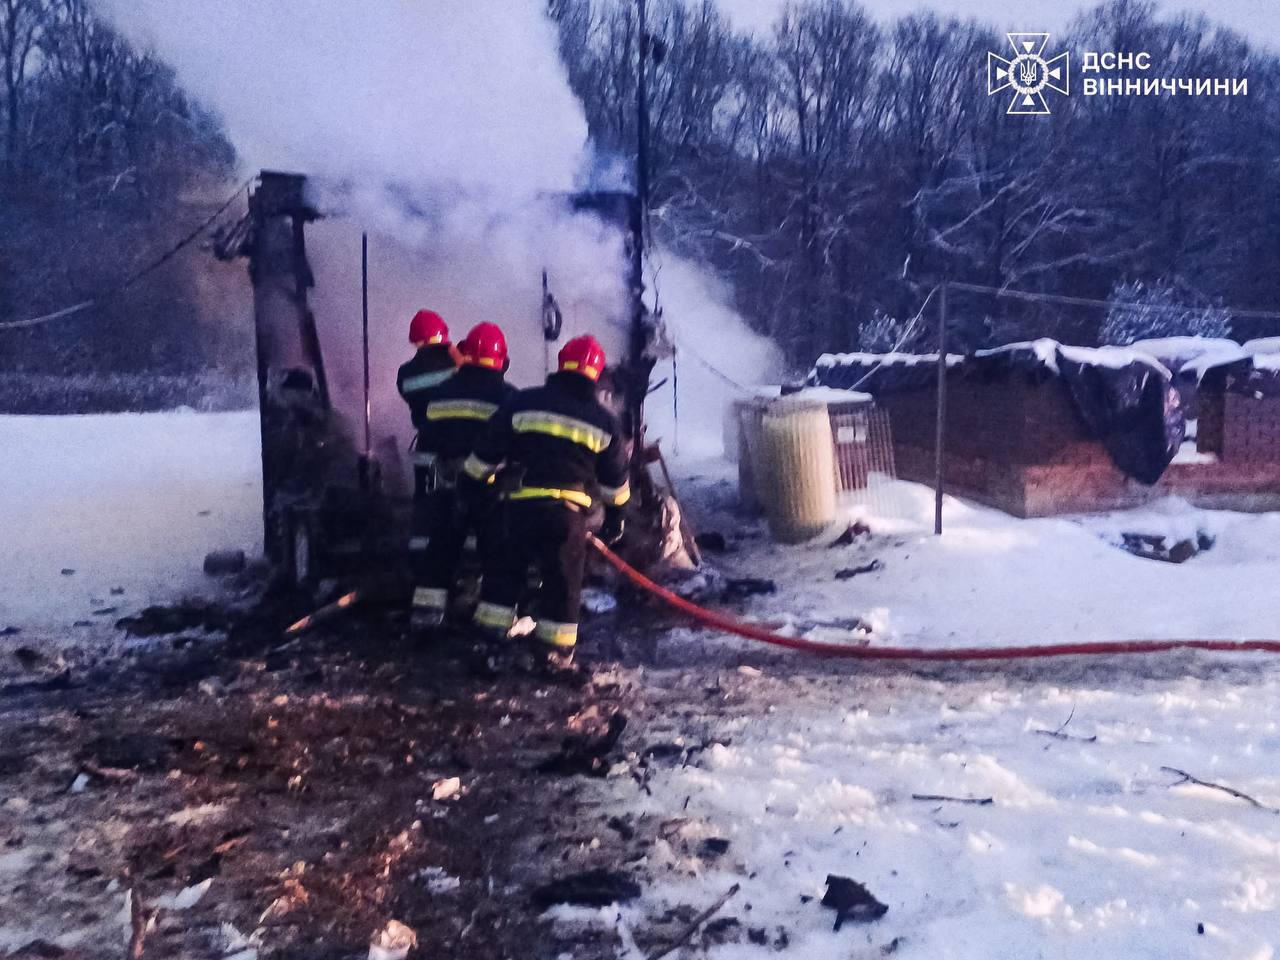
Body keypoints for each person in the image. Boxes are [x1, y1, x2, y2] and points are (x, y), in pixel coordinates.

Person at [462, 334, 629, 667]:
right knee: (562, 585)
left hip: (518, 509)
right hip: (566, 518)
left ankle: (488, 648)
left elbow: (483, 458)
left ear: (560, 365)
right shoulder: (603, 421)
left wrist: (474, 493)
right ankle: (554, 657)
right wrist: (614, 521)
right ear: (595, 376)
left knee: (504, 576)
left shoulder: (523, 403)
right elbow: (616, 486)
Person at [408, 322, 518, 630]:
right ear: (501, 360)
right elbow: (515, 445)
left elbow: (428, 437)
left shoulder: (442, 393)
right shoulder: (509, 398)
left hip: (448, 486)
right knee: (497, 555)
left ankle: (425, 617)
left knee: (440, 549)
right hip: (489, 489)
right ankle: (493, 624)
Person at [396, 309, 458, 622]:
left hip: (427, 454)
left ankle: (421, 573)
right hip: (455, 453)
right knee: (459, 510)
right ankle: (464, 573)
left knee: (427, 510)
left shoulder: (406, 375)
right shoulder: (455, 366)